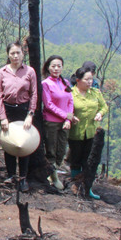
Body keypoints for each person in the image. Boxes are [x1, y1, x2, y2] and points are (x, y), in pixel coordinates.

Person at [0, 41, 38, 193]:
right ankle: (11, 175)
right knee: (9, 144)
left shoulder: (29, 71)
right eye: (12, 53)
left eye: (18, 53)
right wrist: (2, 118)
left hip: (23, 110)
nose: (15, 56)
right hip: (8, 110)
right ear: (8, 54)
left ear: (23, 54)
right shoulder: (2, 72)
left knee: (24, 144)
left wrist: (30, 115)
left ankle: (23, 178)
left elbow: (34, 94)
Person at [69, 66, 108, 200]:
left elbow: (104, 107)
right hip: (75, 132)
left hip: (91, 132)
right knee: (76, 159)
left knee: (88, 161)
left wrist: (99, 114)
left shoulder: (95, 93)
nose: (90, 82)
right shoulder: (71, 93)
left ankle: (87, 188)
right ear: (78, 80)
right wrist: (70, 117)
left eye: (91, 79)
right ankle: (75, 186)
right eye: (87, 79)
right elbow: (66, 109)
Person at [41, 55, 75, 191]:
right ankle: (53, 178)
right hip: (51, 122)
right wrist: (64, 115)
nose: (56, 68)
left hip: (64, 123)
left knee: (61, 150)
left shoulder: (66, 82)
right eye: (53, 66)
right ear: (48, 68)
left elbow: (70, 101)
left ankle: (53, 173)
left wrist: (68, 119)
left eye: (59, 66)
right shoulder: (45, 84)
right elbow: (48, 104)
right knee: (51, 151)